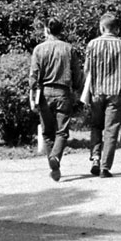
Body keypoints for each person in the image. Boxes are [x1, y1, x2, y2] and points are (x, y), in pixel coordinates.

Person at [79, 13, 121, 178]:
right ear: (116, 29)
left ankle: (95, 157)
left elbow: (87, 70)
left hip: (97, 91)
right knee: (111, 129)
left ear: (102, 28)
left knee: (96, 125)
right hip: (116, 92)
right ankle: (105, 166)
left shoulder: (92, 44)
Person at [27, 18, 80, 182]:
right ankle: (55, 159)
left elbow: (33, 75)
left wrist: (32, 95)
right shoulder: (69, 49)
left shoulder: (38, 49)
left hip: (44, 93)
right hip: (63, 92)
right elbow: (77, 73)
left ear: (47, 30)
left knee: (47, 132)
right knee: (62, 131)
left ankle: (54, 165)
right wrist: (77, 89)